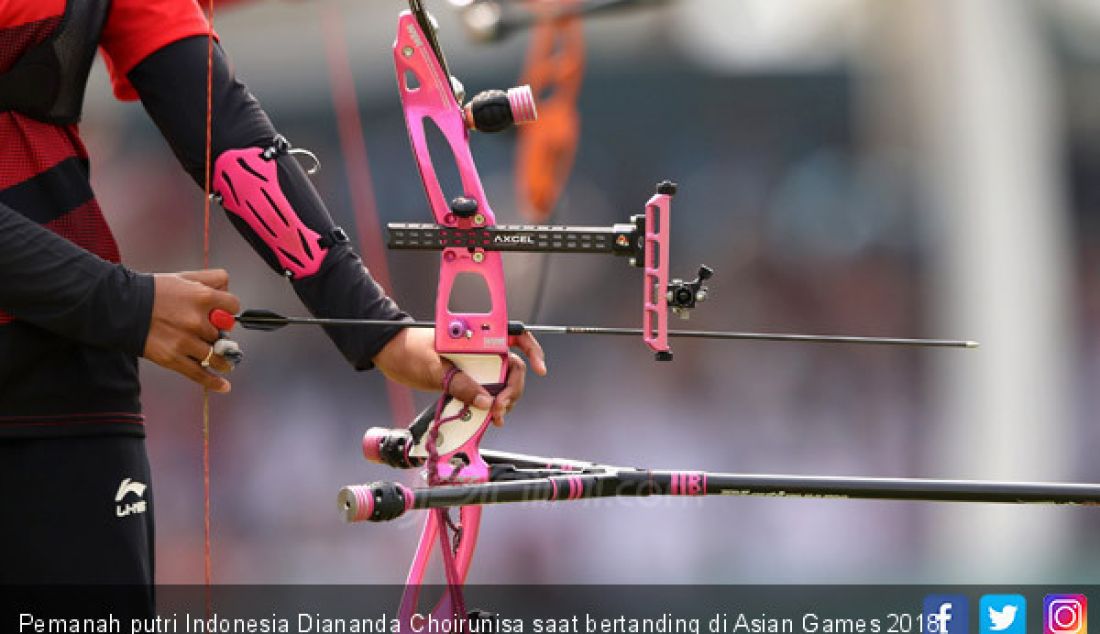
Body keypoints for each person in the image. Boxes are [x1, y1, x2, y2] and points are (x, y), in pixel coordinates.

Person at [0, 0, 546, 598]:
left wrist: (384, 334)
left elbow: (224, 129)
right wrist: (120, 304)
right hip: (89, 324)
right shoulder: (114, 305)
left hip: (64, 377)